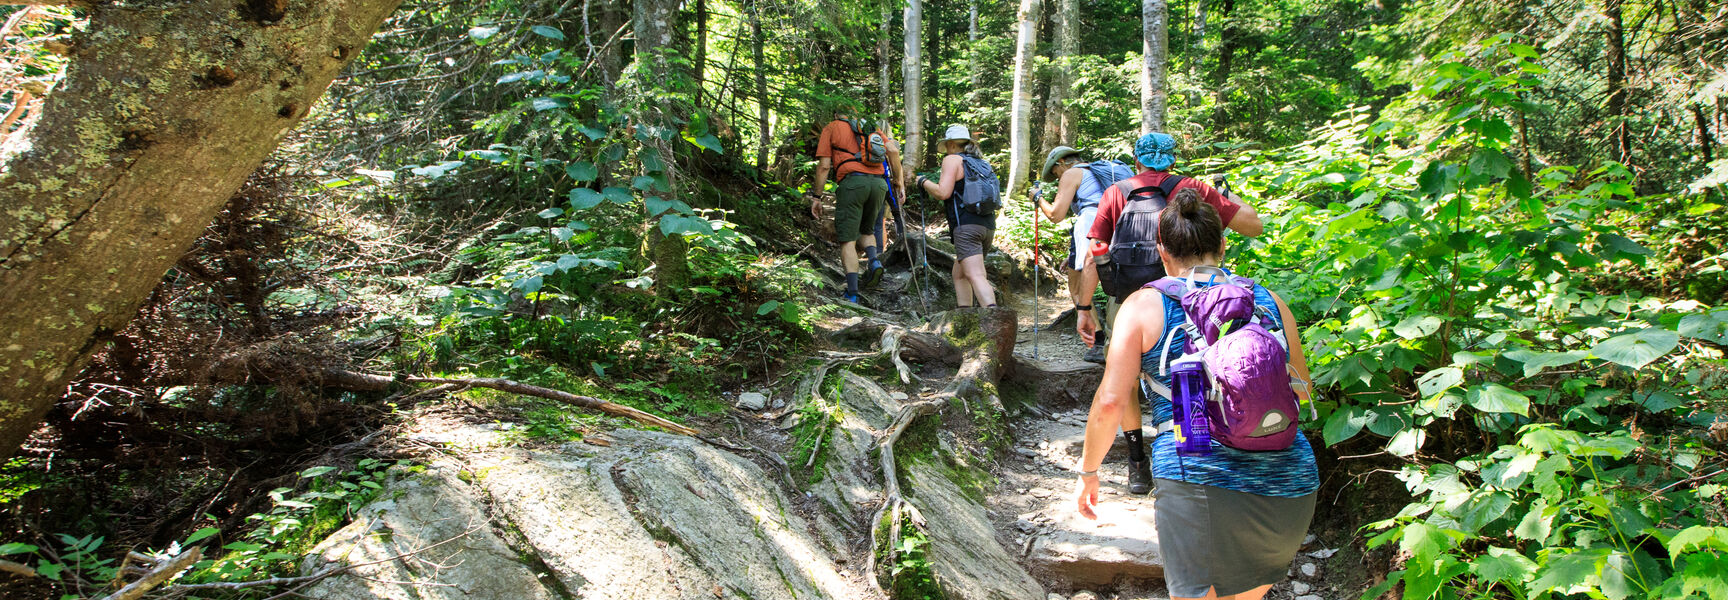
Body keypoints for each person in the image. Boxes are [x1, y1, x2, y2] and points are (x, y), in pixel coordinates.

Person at [1074, 189, 1317, 600]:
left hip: (1197, 471)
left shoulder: (1144, 305)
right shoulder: (1268, 301)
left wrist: (1089, 471)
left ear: (1160, 250)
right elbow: (1302, 391)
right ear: (1223, 244)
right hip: (1289, 477)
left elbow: (1112, 402)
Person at [1087, 131, 1264, 494]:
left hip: (1131, 300)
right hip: (1195, 294)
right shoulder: (1194, 188)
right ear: (1172, 159)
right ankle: (1197, 450)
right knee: (1192, 365)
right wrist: (1225, 196)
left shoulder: (1117, 191)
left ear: (1135, 160)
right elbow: (1253, 225)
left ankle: (1138, 464)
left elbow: (1097, 248)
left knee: (1123, 381)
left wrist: (1083, 307)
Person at [1036, 146, 1135, 364]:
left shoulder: (1072, 173)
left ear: (1061, 163)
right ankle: (1126, 339)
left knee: (1077, 286)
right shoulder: (1104, 171)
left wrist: (1039, 199)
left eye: (1055, 173)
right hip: (1125, 223)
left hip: (1091, 223)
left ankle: (1098, 342)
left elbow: (1055, 215)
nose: (1057, 177)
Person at [810, 109, 908, 303]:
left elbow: (824, 166)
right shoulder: (871, 126)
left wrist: (817, 196)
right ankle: (874, 261)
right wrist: (899, 182)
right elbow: (894, 151)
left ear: (837, 113)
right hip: (879, 184)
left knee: (847, 239)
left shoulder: (832, 127)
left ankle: (852, 293)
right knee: (867, 230)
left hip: (853, 184)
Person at [916, 125, 998, 308]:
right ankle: (965, 318)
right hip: (987, 225)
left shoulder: (952, 159)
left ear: (951, 144)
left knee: (975, 274)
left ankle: (995, 321)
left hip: (966, 226)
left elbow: (943, 192)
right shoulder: (980, 162)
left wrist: (923, 182)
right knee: (959, 274)